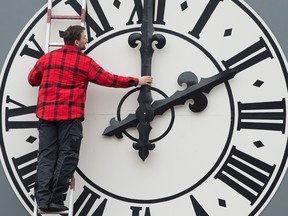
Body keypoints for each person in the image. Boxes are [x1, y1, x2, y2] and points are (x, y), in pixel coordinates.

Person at [28, 25, 152, 212]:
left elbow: (32, 79)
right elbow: (109, 79)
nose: (87, 40)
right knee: (67, 157)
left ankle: (42, 200)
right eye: (84, 37)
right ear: (77, 41)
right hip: (70, 117)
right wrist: (136, 81)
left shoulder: (47, 59)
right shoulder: (84, 62)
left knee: (46, 156)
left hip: (46, 116)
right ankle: (55, 200)